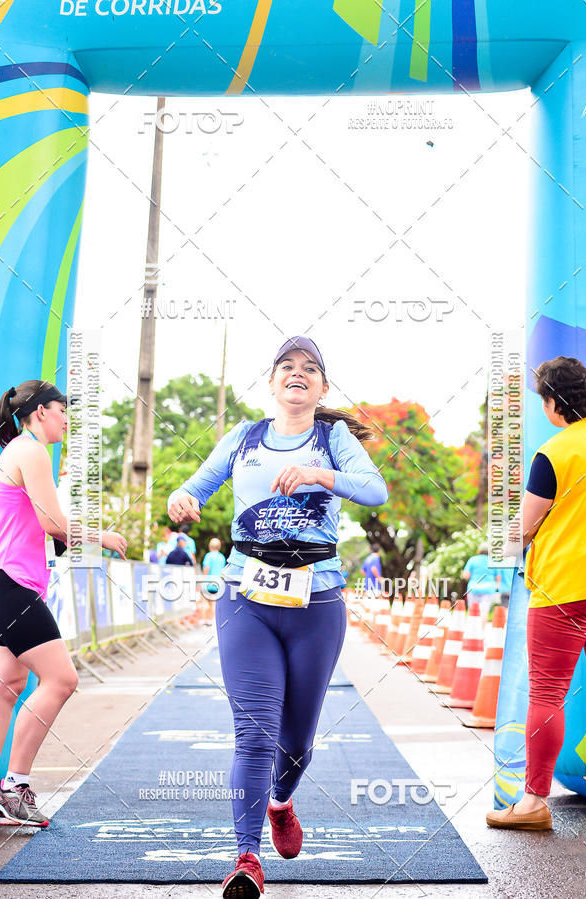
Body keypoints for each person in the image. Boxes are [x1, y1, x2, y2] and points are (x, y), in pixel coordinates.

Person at [168, 336, 388, 898]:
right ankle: (245, 859)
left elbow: (375, 491)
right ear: (271, 382)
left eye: (309, 368)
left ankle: (281, 802)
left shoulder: (332, 437)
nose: (297, 374)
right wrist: (183, 499)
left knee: (296, 741)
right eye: (286, 367)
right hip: (246, 595)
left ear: (322, 387)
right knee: (255, 732)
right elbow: (197, 485)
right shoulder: (243, 438)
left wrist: (319, 476)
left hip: (317, 600)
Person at [0, 381, 127, 827]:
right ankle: (14, 786)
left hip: (9, 583)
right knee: (62, 679)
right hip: (12, 585)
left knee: (7, 684)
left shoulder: (21, 450)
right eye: (61, 410)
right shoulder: (30, 450)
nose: (67, 419)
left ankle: (4, 793)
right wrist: (102, 537)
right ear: (39, 413)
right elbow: (51, 522)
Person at [486, 356, 586, 832]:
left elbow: (521, 531)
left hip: (563, 588)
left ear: (553, 403)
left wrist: (497, 542)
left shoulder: (555, 452)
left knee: (547, 693)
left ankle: (533, 802)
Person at [462, 542, 499, 624]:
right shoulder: (493, 561)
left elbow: (466, 575)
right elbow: (498, 578)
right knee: (484, 611)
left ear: (479, 550)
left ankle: (471, 630)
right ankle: (481, 632)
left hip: (473, 588)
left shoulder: (473, 559)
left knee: (472, 610)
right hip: (488, 589)